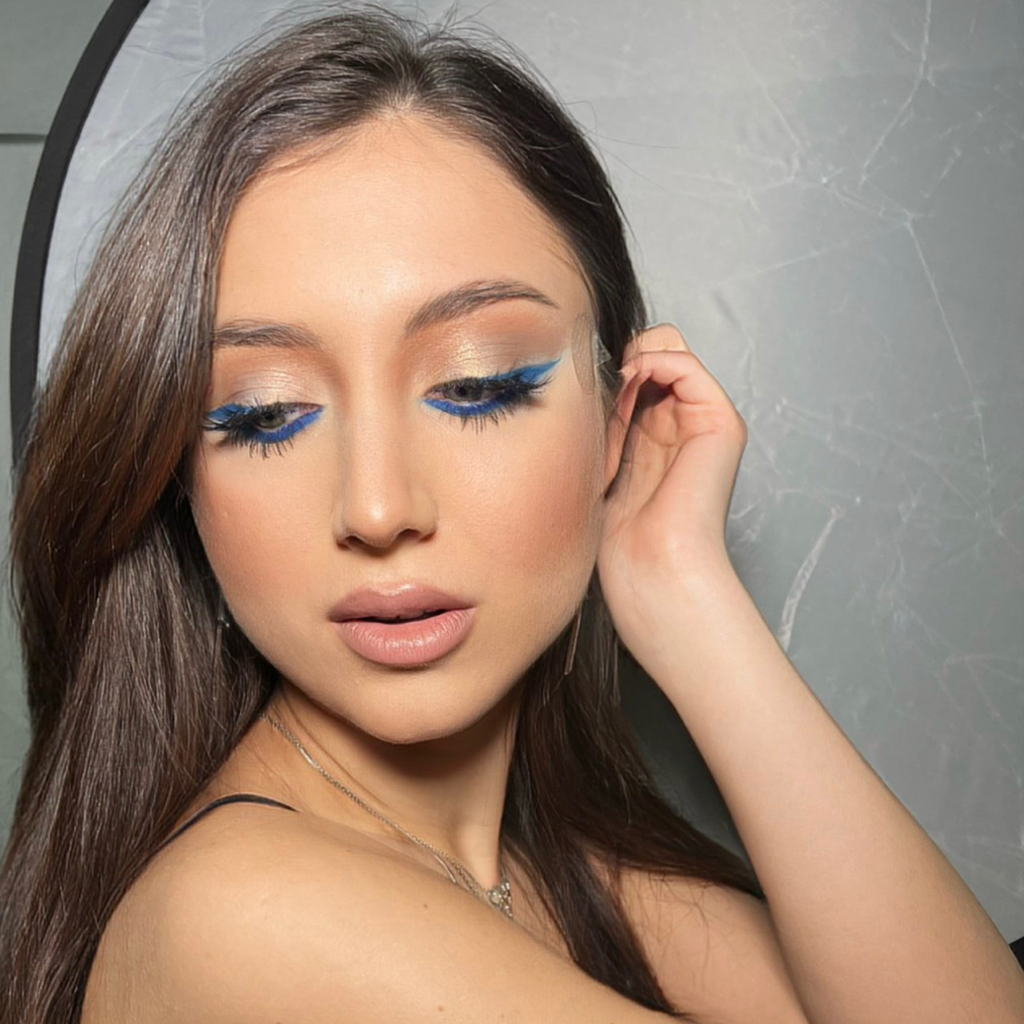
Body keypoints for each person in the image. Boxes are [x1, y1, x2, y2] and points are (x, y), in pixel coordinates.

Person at [1, 7, 1021, 1023]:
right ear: (179, 476)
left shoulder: (551, 875)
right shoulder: (242, 916)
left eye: (475, 386)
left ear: (615, 421)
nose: (378, 508)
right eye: (264, 414)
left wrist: (682, 587)